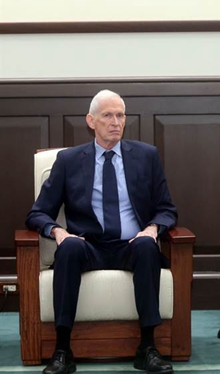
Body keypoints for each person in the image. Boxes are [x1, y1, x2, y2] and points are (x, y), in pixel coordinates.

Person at [26, 90, 178, 374]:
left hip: (130, 244)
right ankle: (63, 350)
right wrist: (58, 232)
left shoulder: (146, 156)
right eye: (108, 115)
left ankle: (147, 348)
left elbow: (166, 209)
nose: (116, 122)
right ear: (91, 121)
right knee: (68, 248)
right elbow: (37, 213)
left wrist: (152, 229)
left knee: (147, 246)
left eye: (120, 115)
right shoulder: (69, 161)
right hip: (88, 245)